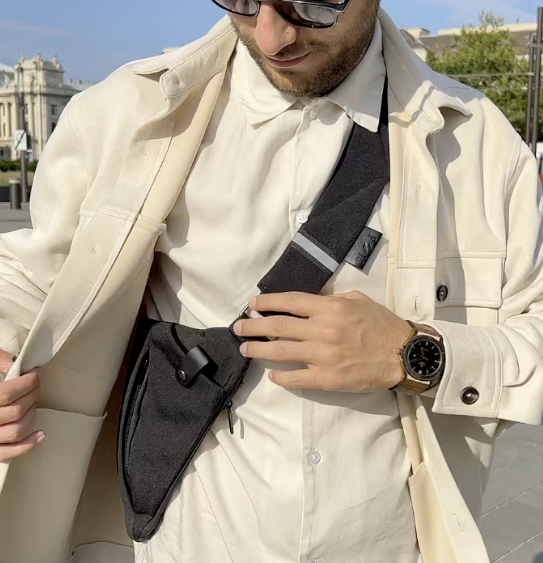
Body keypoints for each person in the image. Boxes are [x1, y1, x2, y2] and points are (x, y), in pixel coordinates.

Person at [0, 0, 541, 562]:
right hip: (184, 540)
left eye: (309, 3)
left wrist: (414, 354)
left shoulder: (480, 145)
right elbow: (36, 277)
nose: (271, 36)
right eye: (242, 1)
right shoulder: (127, 115)